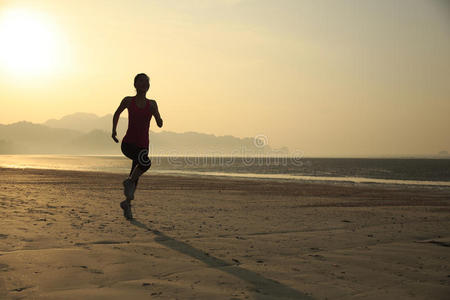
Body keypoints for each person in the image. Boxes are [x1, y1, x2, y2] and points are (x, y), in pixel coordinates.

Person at [112, 73, 163, 219]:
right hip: (128, 144)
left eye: (146, 82)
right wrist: (114, 131)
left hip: (143, 146)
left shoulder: (152, 104)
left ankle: (127, 204)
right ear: (135, 85)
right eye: (141, 81)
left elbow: (159, 122)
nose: (144, 84)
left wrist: (158, 118)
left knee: (135, 176)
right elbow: (117, 114)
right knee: (145, 163)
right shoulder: (128, 101)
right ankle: (128, 183)